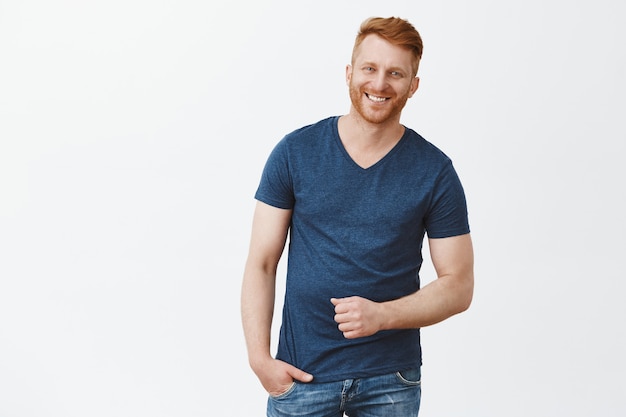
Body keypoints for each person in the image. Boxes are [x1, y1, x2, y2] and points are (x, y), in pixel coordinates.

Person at [241, 16, 474, 417]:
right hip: (301, 376)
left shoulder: (434, 171)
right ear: (350, 73)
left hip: (391, 381)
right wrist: (259, 359)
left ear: (413, 86)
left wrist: (382, 316)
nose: (380, 84)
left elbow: (459, 286)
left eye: (395, 73)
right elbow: (262, 262)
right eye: (370, 68)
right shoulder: (295, 153)